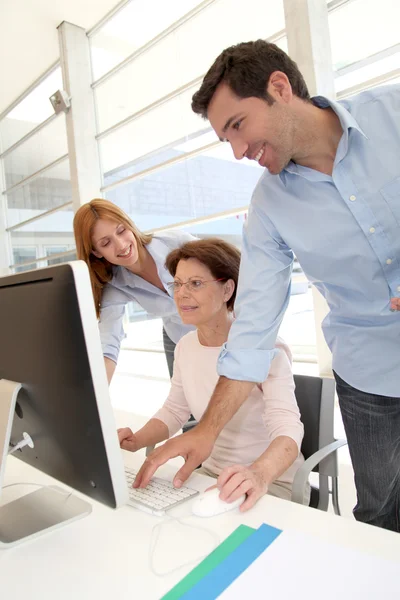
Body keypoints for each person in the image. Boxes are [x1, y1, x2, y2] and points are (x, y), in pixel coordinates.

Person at [134, 40, 400, 532]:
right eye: (226, 140)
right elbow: (252, 328)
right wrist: (205, 432)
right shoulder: (269, 208)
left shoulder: (392, 115)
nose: (238, 151)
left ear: (279, 87)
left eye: (237, 126)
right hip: (368, 375)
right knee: (380, 512)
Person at [119, 238, 308, 510]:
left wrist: (258, 473)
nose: (181, 294)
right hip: (210, 475)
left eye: (195, 283)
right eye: (178, 284)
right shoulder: (185, 347)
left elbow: (289, 429)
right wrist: (136, 440)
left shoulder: (266, 349)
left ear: (228, 289)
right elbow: (174, 411)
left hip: (267, 480)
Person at [73, 199, 196, 382]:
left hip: (220, 327)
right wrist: (96, 395)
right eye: (106, 243)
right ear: (97, 253)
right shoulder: (116, 285)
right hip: (178, 337)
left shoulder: (175, 243)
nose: (121, 245)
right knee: (188, 406)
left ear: (130, 225)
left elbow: (229, 269)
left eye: (121, 231)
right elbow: (108, 342)